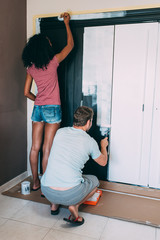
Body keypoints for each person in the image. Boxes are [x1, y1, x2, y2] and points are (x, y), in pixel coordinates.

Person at [22, 13, 74, 191]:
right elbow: (70, 45)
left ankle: (35, 182)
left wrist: (38, 100)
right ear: (45, 46)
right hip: (53, 108)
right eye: (49, 42)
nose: (51, 43)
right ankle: (46, 185)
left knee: (35, 147)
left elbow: (26, 92)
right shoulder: (53, 61)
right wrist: (66, 23)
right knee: (47, 148)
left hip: (38, 109)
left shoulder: (30, 67)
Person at [41, 106, 108, 226]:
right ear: (88, 122)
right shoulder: (89, 141)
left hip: (46, 190)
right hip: (70, 194)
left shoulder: (60, 132)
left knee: (60, 173)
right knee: (95, 182)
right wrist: (103, 146)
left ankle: (54, 206)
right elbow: (103, 162)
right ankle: (74, 205)